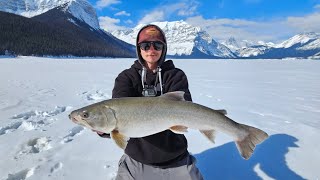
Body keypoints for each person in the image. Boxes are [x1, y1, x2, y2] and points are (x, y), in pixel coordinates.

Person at [96, 24, 204, 180]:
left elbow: (185, 111)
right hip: (136, 160)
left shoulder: (175, 76)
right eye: (145, 45)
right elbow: (116, 116)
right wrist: (104, 129)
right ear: (139, 49)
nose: (151, 49)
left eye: (157, 45)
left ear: (163, 48)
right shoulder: (126, 78)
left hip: (176, 159)